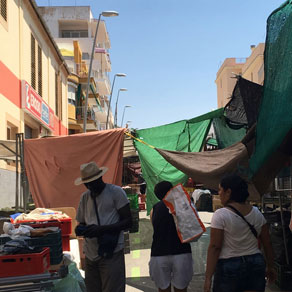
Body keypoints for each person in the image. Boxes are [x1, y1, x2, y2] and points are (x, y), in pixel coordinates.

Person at [204, 174, 276, 292]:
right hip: (255, 263)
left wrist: (208, 277)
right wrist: (270, 266)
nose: (219, 193)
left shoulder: (221, 215)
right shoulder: (257, 213)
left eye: (220, 190)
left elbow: (215, 247)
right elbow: (267, 242)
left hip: (229, 266)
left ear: (228, 192)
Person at [75, 161, 132, 292]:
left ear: (100, 178)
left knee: (113, 288)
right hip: (91, 253)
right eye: (87, 184)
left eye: (93, 183)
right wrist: (82, 230)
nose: (90, 186)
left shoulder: (115, 193)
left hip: (111, 250)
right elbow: (82, 222)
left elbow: (128, 222)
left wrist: (102, 230)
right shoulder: (85, 197)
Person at [149, 181, 193, 292]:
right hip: (182, 252)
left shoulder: (154, 209)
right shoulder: (184, 205)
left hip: (159, 253)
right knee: (181, 289)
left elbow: (156, 229)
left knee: (163, 289)